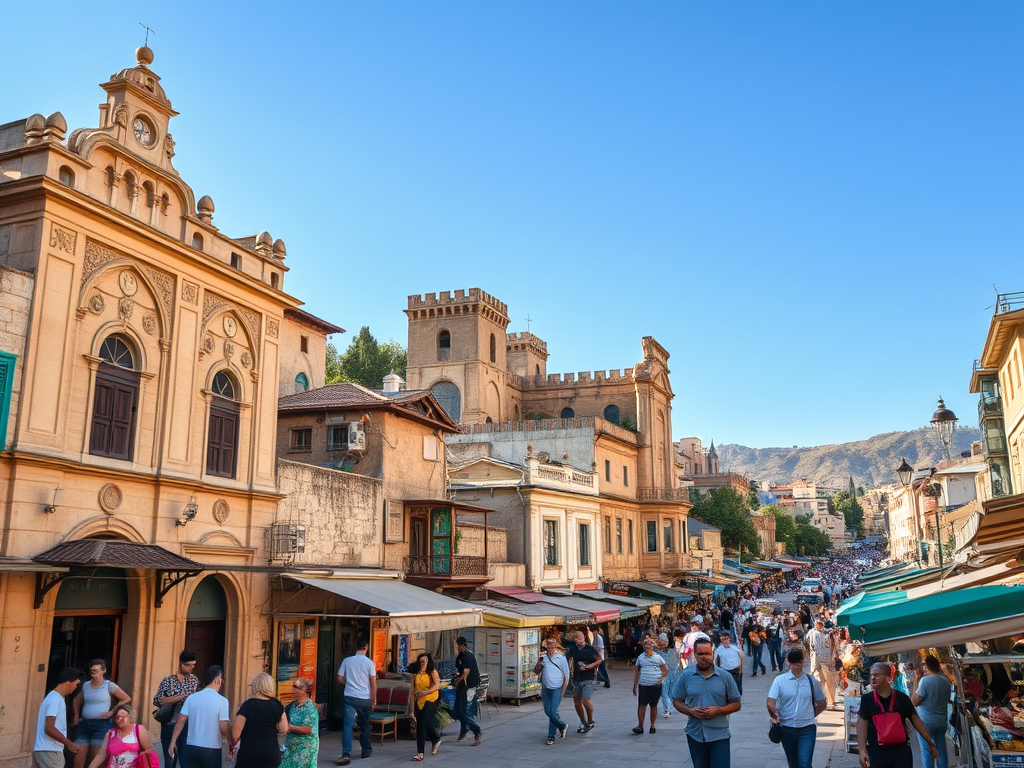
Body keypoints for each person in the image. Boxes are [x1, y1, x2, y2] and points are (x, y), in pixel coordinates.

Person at [672, 638, 741, 768]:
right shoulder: (686, 675)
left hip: (719, 735)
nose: (704, 657)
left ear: (713, 653)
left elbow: (737, 703)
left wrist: (719, 711)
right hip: (695, 734)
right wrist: (690, 711)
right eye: (700, 654)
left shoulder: (725, 677)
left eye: (707, 653)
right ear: (695, 654)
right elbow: (676, 700)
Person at [857, 662, 937, 768]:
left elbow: (915, 719)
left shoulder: (902, 698)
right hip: (877, 752)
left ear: (887, 677)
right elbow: (862, 723)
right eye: (871, 675)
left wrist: (929, 741)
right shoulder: (867, 699)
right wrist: (862, 750)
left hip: (901, 752)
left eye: (876, 675)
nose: (872, 678)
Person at [767, 649, 827, 768]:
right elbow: (770, 702)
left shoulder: (811, 681)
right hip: (786, 728)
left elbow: (822, 703)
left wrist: (810, 714)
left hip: (807, 728)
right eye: (794, 663)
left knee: (805, 762)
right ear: (788, 662)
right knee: (793, 763)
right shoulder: (780, 680)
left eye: (799, 663)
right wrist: (774, 714)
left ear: (803, 661)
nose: (796, 666)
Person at [72, 659, 131, 768]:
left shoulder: (109, 685)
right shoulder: (86, 685)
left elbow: (126, 698)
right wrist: (76, 715)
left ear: (103, 671)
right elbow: (77, 700)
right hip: (84, 724)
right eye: (91, 671)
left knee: (96, 760)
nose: (93, 672)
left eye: (96, 670)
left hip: (101, 725)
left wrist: (112, 711)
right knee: (78, 758)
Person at [169, 665, 231, 768]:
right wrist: (230, 742)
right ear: (218, 680)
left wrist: (173, 741)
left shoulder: (192, 698)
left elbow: (181, 719)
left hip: (192, 746)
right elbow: (224, 724)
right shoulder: (222, 701)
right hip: (212, 747)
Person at [230, 672, 288, 768]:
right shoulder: (277, 705)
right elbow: (284, 729)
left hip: (250, 751)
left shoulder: (248, 705)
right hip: (271, 750)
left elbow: (235, 734)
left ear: (255, 686)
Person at [153, 649, 199, 768]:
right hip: (170, 723)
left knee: (185, 761)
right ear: (181, 664)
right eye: (188, 665)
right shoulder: (168, 680)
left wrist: (188, 701)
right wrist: (177, 698)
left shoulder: (194, 680)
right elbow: (158, 700)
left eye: (193, 665)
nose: (191, 668)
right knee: (170, 761)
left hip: (187, 725)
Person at [336, 639, 377, 765]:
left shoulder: (347, 661)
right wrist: (373, 700)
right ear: (366, 647)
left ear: (356, 647)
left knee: (347, 726)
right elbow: (372, 682)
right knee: (364, 724)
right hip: (364, 698)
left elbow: (339, 678)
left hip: (349, 697)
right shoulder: (370, 663)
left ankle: (346, 753)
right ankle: (365, 749)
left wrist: (348, 684)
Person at [34, 668, 82, 768]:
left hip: (46, 750)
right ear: (68, 682)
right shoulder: (55, 698)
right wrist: (69, 744)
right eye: (75, 684)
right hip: (50, 750)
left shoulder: (54, 697)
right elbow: (49, 728)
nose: (75, 687)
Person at [910, 656, 953, 768]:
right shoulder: (946, 681)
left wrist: (915, 682)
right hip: (942, 721)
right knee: (941, 748)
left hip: (926, 722)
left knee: (927, 749)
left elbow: (914, 701)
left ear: (926, 667)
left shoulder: (925, 681)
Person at [85, 704, 154, 768]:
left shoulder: (138, 730)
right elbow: (101, 755)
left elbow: (148, 752)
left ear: (129, 717)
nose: (120, 719)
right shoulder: (110, 734)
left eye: (123, 716)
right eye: (117, 717)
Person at [532, 637, 570, 745]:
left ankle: (551, 736)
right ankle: (561, 726)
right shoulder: (544, 658)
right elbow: (536, 672)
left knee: (553, 712)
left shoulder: (561, 658)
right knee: (548, 711)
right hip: (546, 688)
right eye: (548, 644)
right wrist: (539, 663)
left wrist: (562, 691)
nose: (551, 646)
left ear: (556, 645)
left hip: (556, 688)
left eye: (553, 644)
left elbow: (566, 676)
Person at [565, 630, 602, 734]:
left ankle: (590, 721)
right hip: (576, 678)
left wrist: (590, 666)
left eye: (579, 638)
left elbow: (599, 659)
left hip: (588, 677)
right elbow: (568, 660)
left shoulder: (590, 649)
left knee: (585, 699)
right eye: (576, 639)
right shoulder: (573, 649)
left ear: (584, 637)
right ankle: (583, 721)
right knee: (577, 701)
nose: (578, 641)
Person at [408, 653, 442, 761]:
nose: (422, 664)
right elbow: (413, 691)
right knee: (420, 726)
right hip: (420, 700)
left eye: (424, 662)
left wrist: (426, 692)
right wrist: (411, 709)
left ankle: (435, 738)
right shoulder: (415, 674)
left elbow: (437, 685)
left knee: (426, 722)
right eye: (421, 662)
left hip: (431, 698)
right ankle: (420, 752)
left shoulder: (432, 672)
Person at [632, 636, 668, 735]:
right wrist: (635, 685)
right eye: (645, 645)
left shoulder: (658, 658)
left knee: (653, 705)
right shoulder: (640, 658)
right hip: (643, 684)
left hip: (655, 685)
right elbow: (637, 671)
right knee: (642, 705)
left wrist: (661, 680)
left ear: (652, 646)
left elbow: (665, 670)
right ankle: (640, 726)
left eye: (649, 645)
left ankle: (652, 725)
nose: (647, 647)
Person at [281, 677, 319, 768]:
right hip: (291, 747)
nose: (293, 690)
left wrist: (289, 727)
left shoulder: (310, 708)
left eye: (296, 687)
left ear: (304, 690)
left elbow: (308, 729)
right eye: (293, 687)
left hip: (305, 749)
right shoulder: (292, 706)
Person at [453, 637, 483, 745]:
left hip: (466, 687)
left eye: (456, 645)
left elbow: (465, 674)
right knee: (458, 710)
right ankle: (464, 730)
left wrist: (457, 681)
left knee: (463, 712)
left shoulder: (466, 656)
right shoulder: (464, 655)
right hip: (464, 686)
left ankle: (477, 730)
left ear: (460, 645)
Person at [805, 619, 837, 708]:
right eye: (817, 623)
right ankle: (820, 700)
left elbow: (835, 646)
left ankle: (831, 701)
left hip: (829, 662)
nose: (818, 625)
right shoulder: (812, 632)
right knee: (819, 681)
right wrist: (810, 653)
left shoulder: (830, 633)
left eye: (820, 623)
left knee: (830, 682)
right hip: (817, 661)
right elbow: (806, 643)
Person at [656, 633, 680, 718]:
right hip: (665, 674)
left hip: (671, 674)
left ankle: (669, 709)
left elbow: (677, 663)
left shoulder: (672, 651)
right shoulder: (657, 653)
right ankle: (668, 709)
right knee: (665, 693)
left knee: (669, 693)